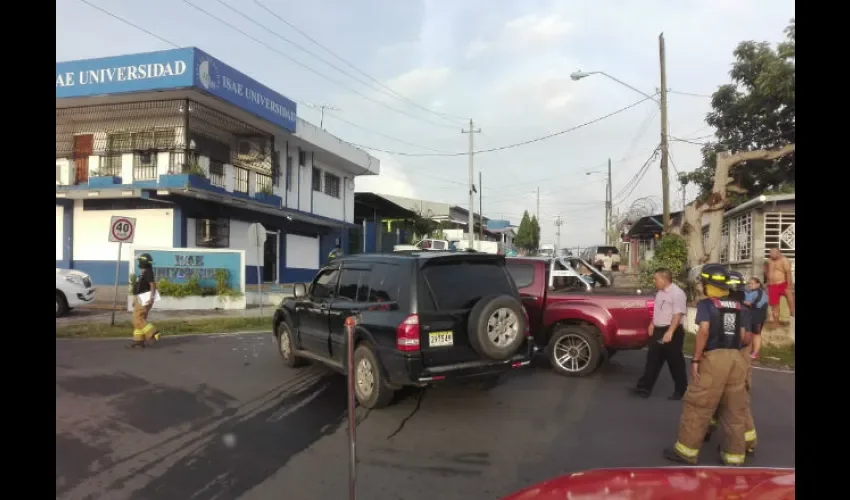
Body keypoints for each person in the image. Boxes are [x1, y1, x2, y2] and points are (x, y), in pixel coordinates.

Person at [663, 264, 752, 466]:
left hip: (714, 359)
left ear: (708, 284)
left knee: (698, 405)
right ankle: (734, 457)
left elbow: (703, 331)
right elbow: (744, 337)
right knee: (734, 410)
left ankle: (686, 452)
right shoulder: (741, 307)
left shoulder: (707, 305)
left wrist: (696, 359)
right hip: (736, 359)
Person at [703, 270, 758, 456]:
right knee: (733, 401)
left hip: (733, 355)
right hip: (738, 357)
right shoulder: (743, 308)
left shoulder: (736, 308)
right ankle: (746, 441)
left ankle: (743, 439)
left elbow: (746, 337)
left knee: (730, 401)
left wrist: (726, 342)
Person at [632, 267, 688, 400]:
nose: (654, 281)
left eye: (656, 279)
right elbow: (658, 311)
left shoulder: (677, 293)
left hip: (671, 331)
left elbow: (677, 315)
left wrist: (670, 332)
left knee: (675, 362)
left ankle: (681, 391)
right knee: (652, 359)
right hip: (658, 330)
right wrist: (652, 323)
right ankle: (644, 388)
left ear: (664, 279)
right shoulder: (660, 293)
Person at [131, 253, 160, 348]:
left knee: (138, 319)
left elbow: (152, 284)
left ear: (143, 263)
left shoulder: (148, 272)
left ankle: (152, 332)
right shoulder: (145, 272)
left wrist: (151, 298)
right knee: (138, 319)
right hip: (139, 299)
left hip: (144, 299)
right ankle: (139, 340)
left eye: (140, 261)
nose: (139, 264)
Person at [765, 247, 795, 323]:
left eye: (772, 253)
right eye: (770, 253)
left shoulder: (784, 260)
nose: (770, 254)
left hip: (782, 283)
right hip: (772, 285)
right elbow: (766, 271)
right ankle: (776, 321)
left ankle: (792, 313)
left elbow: (788, 273)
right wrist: (767, 283)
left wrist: (789, 285)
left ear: (778, 253)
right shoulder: (769, 261)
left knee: (789, 296)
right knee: (774, 304)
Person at [743, 277, 768, 358]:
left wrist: (743, 302)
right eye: (749, 283)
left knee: (756, 334)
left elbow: (757, 304)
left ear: (758, 284)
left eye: (752, 283)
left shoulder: (760, 292)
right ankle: (749, 351)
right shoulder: (750, 292)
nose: (750, 285)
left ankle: (756, 352)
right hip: (751, 315)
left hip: (758, 316)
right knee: (750, 333)